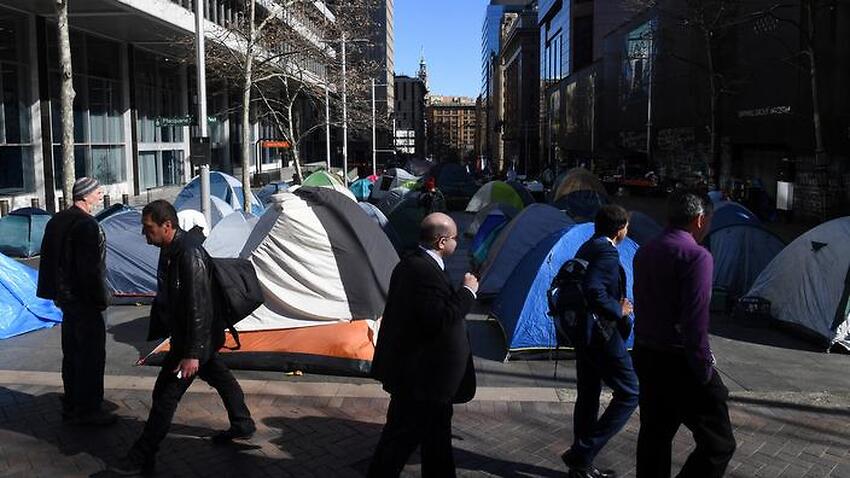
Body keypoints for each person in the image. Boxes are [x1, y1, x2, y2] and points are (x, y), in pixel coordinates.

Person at [110, 200, 255, 475]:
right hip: (192, 338)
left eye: (148, 228)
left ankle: (142, 456)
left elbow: (199, 305)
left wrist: (192, 353)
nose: (145, 234)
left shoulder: (189, 253)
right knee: (220, 377)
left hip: (193, 341)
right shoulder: (170, 249)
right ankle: (242, 423)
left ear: (167, 225)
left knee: (165, 395)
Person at [632, 191, 736, 478]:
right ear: (700, 219)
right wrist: (704, 369)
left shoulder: (646, 250)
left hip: (646, 352)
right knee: (719, 442)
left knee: (655, 434)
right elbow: (696, 318)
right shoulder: (696, 256)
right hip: (680, 358)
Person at [368, 212, 479, 478]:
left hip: (431, 381)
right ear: (441, 242)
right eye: (454, 239)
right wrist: (467, 292)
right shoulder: (420, 271)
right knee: (400, 441)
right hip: (420, 381)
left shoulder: (418, 265)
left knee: (437, 441)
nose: (457, 243)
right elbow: (439, 318)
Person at [562, 205, 639, 478]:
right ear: (620, 229)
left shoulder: (587, 246)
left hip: (583, 333)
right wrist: (620, 310)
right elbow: (594, 289)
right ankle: (582, 451)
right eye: (626, 227)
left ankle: (580, 468)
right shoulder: (607, 251)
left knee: (588, 395)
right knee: (630, 392)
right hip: (602, 334)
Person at [37, 177, 116, 426]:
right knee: (92, 355)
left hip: (66, 299)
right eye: (97, 191)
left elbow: (49, 261)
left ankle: (72, 403)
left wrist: (55, 294)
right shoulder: (87, 225)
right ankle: (90, 409)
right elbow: (89, 270)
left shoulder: (57, 221)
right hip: (84, 300)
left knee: (71, 352)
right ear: (85, 195)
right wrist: (100, 298)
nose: (101, 194)